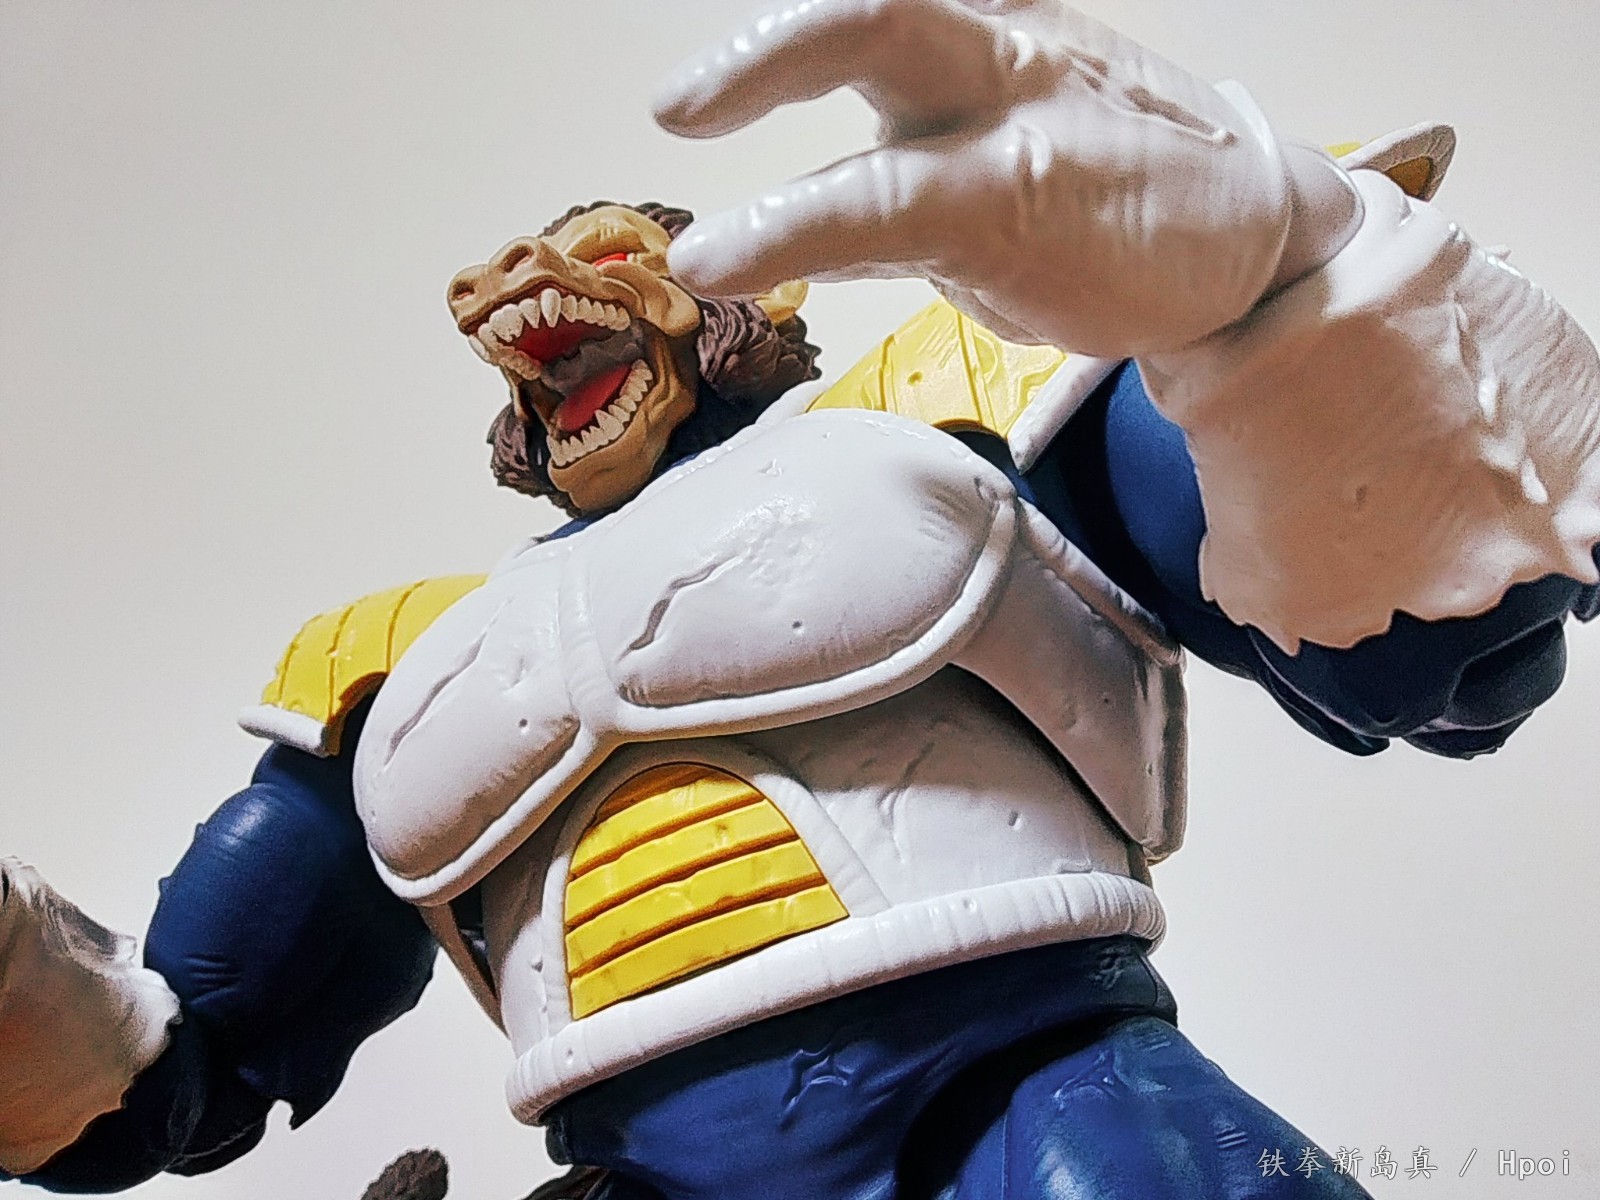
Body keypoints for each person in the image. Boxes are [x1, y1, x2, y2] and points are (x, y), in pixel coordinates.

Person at [5, 3, 1599, 1197]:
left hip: (1036, 1094)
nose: (523, 305)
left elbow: (1441, 652)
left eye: (601, 257)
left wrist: (1282, 299)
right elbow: (167, 1082)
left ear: (734, 303)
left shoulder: (944, 401)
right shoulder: (391, 658)